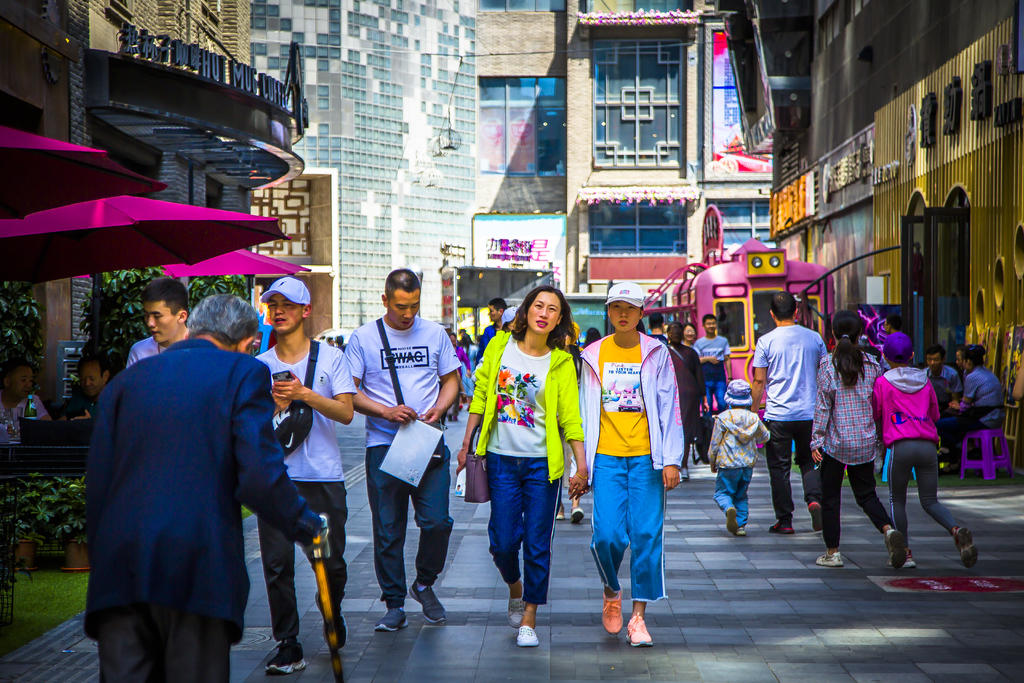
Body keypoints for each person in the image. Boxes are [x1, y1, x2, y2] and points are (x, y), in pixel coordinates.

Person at [85, 294, 323, 682]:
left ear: (193, 327)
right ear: (247, 342)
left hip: (120, 569)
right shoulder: (243, 373)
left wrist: (104, 558)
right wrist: (307, 526)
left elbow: (97, 485)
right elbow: (260, 476)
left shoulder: (126, 383)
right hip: (195, 565)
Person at [456, 285, 587, 648]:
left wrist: (581, 465)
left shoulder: (561, 362)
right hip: (499, 461)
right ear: (527, 310)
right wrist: (467, 443)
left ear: (560, 319)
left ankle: (529, 615)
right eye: (538, 306)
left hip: (543, 468)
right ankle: (515, 586)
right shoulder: (500, 346)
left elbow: (570, 419)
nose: (543, 313)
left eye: (552, 310)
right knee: (502, 541)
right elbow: (482, 393)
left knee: (537, 543)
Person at [344, 268, 462, 632]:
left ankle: (424, 582)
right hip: (384, 445)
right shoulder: (364, 338)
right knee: (388, 529)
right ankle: (393, 603)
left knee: (437, 522)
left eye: (413, 306)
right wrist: (385, 411)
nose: (407, 314)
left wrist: (440, 409)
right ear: (384, 300)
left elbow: (451, 380)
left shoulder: (434, 334)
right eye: (399, 307)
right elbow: (349, 392)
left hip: (427, 442)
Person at [255, 277, 356, 675]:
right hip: (276, 481)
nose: (278, 310)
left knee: (330, 563)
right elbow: (249, 424)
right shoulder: (259, 367)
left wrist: (304, 395)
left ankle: (331, 608)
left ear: (306, 311)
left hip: (324, 479)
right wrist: (271, 404)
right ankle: (288, 642)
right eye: (272, 304)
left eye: (288, 304)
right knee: (277, 565)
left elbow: (346, 412)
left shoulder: (331, 359)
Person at [580, 282, 683, 648]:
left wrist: (671, 459)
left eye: (630, 307)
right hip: (605, 457)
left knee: (645, 536)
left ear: (641, 313)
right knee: (606, 535)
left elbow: (670, 406)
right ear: (608, 313)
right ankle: (611, 587)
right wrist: (580, 464)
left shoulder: (656, 352)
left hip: (647, 460)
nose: (623, 313)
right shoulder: (592, 354)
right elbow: (583, 412)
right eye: (616, 307)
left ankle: (638, 618)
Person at [809, 311, 907, 569]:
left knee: (830, 499)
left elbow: (822, 407)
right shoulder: (873, 364)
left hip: (835, 444)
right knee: (867, 495)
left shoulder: (827, 365)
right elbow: (879, 404)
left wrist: (816, 440)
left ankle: (833, 553)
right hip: (865, 441)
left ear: (832, 334)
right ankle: (888, 531)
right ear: (859, 334)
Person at [874, 332, 977, 569]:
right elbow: (935, 415)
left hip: (900, 446)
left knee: (896, 499)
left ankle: (906, 552)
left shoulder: (882, 382)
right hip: (928, 446)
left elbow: (877, 414)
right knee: (930, 500)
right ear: (912, 355)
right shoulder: (925, 380)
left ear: (884, 356)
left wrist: (881, 443)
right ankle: (955, 529)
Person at [750, 291, 827, 535]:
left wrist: (754, 413)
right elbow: (824, 375)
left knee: (779, 469)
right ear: (796, 312)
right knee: (808, 461)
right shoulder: (815, 339)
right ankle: (814, 501)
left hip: (778, 416)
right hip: (810, 414)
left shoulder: (765, 341)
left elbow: (759, 381)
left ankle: (784, 521)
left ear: (772, 314)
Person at [709, 380, 768, 536]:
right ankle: (740, 526)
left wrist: (712, 461)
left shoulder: (723, 418)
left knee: (721, 493)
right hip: (747, 465)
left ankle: (729, 508)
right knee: (741, 495)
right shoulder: (754, 418)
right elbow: (765, 436)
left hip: (728, 464)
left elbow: (715, 444)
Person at [936, 344, 1005, 469]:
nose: (959, 363)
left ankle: (962, 451)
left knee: (939, 424)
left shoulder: (972, 376)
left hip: (985, 419)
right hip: (995, 417)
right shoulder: (987, 373)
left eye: (961, 360)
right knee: (953, 424)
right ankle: (964, 452)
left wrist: (958, 406)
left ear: (967, 361)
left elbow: (965, 406)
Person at [666, 321, 705, 480]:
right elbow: (699, 377)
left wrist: (703, 397)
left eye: (677, 331)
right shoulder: (665, 352)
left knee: (684, 431)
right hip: (677, 395)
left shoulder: (689, 353)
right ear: (668, 333)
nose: (675, 334)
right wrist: (703, 396)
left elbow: (698, 375)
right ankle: (678, 464)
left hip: (684, 396)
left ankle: (681, 464)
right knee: (680, 430)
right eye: (672, 331)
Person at [126, 277, 190, 367]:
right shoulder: (140, 352)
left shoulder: (204, 350)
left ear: (181, 316)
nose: (150, 323)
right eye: (147, 315)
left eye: (157, 316)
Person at [1, 360, 51, 440]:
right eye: (23, 380)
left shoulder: (33, 400)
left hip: (25, 451)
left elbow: (49, 428)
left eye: (30, 380)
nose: (29, 385)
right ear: (7, 382)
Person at [694, 314, 732, 414]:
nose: (711, 326)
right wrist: (708, 359)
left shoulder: (723, 341)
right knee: (707, 405)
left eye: (713, 323)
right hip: (705, 379)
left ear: (716, 325)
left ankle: (722, 426)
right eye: (708, 324)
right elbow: (696, 360)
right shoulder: (699, 343)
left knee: (723, 403)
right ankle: (708, 428)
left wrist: (730, 377)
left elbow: (727, 359)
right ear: (703, 325)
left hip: (720, 379)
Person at [63, 353, 111, 420]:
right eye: (82, 379)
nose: (87, 383)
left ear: (105, 376)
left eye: (92, 379)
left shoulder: (116, 403)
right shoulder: (78, 398)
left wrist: (87, 425)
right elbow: (61, 422)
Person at [924, 344, 962, 416]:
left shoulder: (952, 375)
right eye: (929, 359)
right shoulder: (923, 375)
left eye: (936, 360)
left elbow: (955, 399)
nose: (932, 363)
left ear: (943, 359)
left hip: (947, 406)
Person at [475, 297, 507, 365]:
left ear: (501, 311)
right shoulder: (488, 331)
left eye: (491, 311)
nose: (489, 314)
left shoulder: (511, 331)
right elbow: (482, 352)